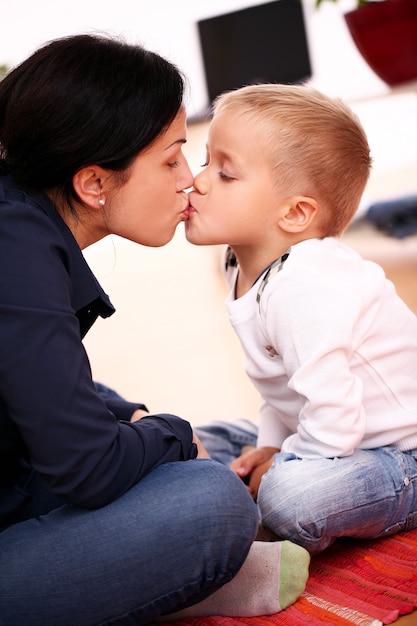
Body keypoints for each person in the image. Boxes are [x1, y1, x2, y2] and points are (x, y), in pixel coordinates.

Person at [0, 35, 312, 626]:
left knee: (230, 439)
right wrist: (170, 433)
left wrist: (134, 418)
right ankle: (183, 581)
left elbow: (29, 382)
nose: (189, 181)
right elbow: (86, 468)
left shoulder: (17, 218)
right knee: (214, 501)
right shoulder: (14, 248)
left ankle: (155, 573)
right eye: (172, 159)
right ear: (93, 184)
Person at [186, 83, 417, 555]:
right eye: (205, 160)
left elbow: (334, 420)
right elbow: (281, 386)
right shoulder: (240, 263)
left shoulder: (307, 283)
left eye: (225, 173)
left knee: (289, 496)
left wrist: (284, 463)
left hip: (399, 452)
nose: (199, 180)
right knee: (186, 439)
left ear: (295, 213)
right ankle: (248, 489)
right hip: (336, 433)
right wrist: (271, 446)